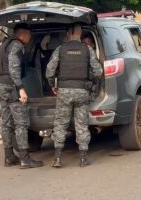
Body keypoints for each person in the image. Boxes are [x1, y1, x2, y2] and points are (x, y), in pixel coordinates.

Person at [46, 24, 103, 168]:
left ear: (67, 34)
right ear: (80, 33)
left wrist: (53, 85)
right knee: (82, 124)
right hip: (82, 91)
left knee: (60, 124)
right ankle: (83, 159)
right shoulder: (88, 49)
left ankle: (58, 159)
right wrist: (92, 84)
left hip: (64, 91)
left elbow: (49, 71)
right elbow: (98, 71)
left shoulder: (60, 50)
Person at [0, 23, 44, 169]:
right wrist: (21, 88)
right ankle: (25, 159)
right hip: (12, 88)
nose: (30, 37)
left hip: (0, 86)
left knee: (6, 123)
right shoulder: (17, 46)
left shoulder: (2, 45)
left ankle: (9, 157)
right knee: (21, 123)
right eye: (29, 34)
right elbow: (13, 68)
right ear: (22, 34)